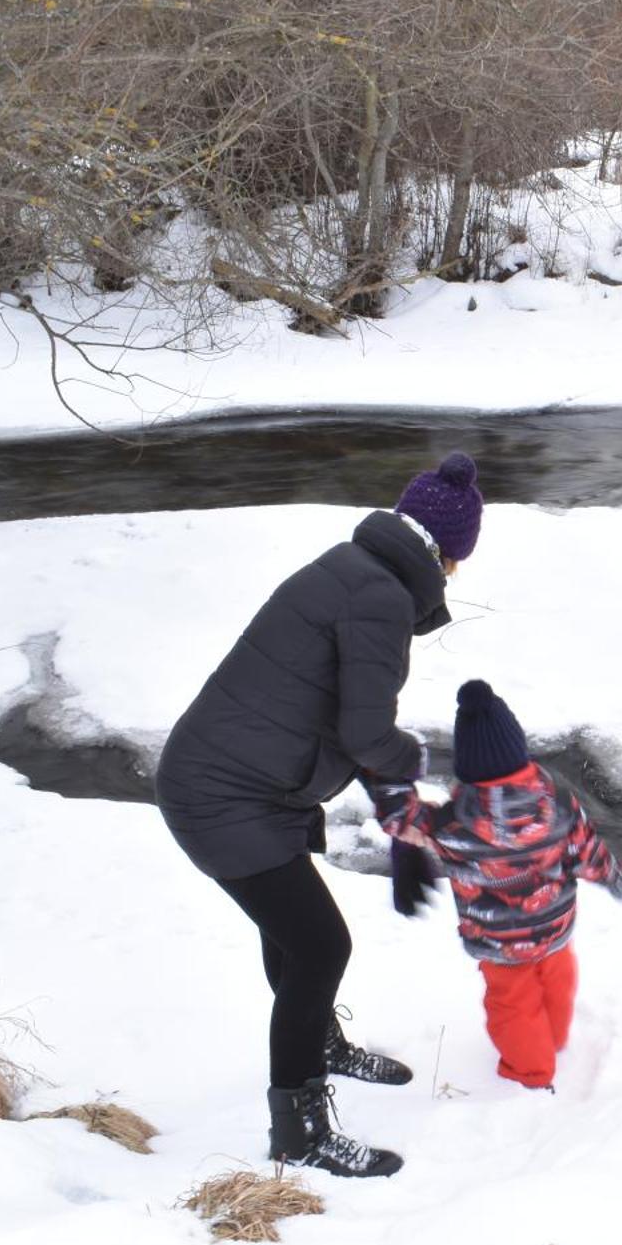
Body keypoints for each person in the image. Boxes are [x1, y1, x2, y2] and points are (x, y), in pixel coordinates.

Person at [154, 454, 484, 1177]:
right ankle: (298, 1127)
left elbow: (346, 716)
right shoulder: (381, 599)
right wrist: (412, 763)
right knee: (319, 947)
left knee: (292, 932)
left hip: (244, 781)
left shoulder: (353, 567)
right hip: (225, 795)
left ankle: (320, 1041)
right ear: (449, 554)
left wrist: (398, 805)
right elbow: (369, 735)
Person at [378, 679, 622, 1091]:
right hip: (554, 928)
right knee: (558, 978)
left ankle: (530, 1074)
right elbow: (588, 851)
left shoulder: (453, 826)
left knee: (513, 1005)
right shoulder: (559, 804)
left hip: (499, 941)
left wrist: (388, 773)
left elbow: (401, 820)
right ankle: (553, 1039)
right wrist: (616, 877)